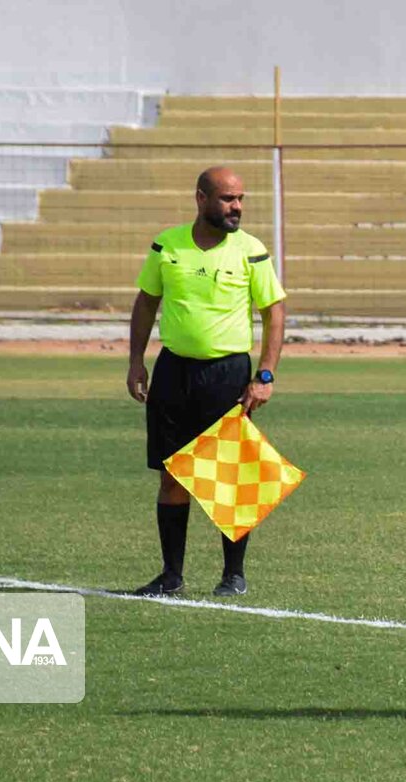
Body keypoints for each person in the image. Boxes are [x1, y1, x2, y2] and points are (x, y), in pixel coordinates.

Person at [126, 166, 287, 597]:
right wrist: (135, 362)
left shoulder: (251, 250)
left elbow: (274, 313)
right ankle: (170, 575)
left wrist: (265, 375)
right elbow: (146, 302)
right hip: (173, 371)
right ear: (200, 199)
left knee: (229, 476)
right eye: (227, 199)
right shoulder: (167, 244)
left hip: (228, 375)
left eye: (240, 199)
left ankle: (233, 575)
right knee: (171, 475)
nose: (237, 207)